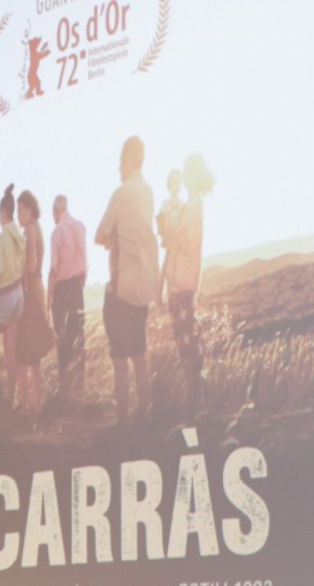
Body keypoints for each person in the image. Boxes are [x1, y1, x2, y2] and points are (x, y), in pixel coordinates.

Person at [95, 135, 160, 423]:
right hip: (144, 284)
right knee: (140, 354)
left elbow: (100, 234)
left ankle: (122, 420)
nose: (118, 165)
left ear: (131, 158)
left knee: (120, 360)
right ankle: (146, 411)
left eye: (121, 158)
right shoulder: (148, 191)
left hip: (122, 286)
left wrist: (112, 238)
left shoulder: (122, 193)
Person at [160, 155, 213, 411]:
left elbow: (190, 244)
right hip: (179, 279)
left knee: (188, 340)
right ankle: (194, 398)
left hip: (184, 280)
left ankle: (196, 398)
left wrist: (172, 233)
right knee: (185, 339)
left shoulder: (194, 205)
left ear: (192, 175)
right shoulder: (192, 204)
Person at [0, 184, 26, 400]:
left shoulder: (2, 238)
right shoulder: (19, 236)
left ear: (2, 213)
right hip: (19, 294)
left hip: (4, 295)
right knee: (11, 351)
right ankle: (11, 397)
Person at [16, 189, 56, 416]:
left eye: (21, 210)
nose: (19, 215)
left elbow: (30, 265)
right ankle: (35, 405)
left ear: (30, 209)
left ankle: (26, 405)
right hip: (36, 289)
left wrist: (19, 280)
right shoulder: (36, 229)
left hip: (30, 290)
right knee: (33, 357)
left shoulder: (30, 231)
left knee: (24, 351)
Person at [46, 195, 88, 402]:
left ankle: (64, 391)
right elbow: (86, 263)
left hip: (62, 288)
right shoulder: (80, 227)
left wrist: (48, 299)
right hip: (77, 287)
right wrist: (80, 284)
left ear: (56, 210)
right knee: (78, 337)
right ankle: (80, 388)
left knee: (62, 340)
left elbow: (53, 269)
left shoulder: (57, 232)